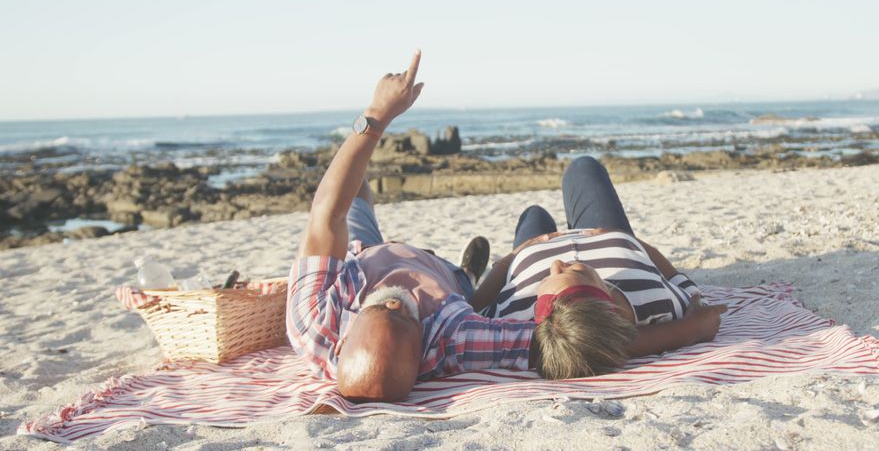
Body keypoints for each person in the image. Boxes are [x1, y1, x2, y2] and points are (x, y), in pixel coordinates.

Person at [286, 51, 535, 402]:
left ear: (344, 337)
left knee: (345, 188)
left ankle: (391, 244)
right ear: (423, 353)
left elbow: (326, 214)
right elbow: (546, 341)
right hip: (442, 279)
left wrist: (378, 113)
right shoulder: (453, 338)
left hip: (368, 257)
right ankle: (467, 271)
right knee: (476, 280)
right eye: (406, 318)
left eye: (380, 310)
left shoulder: (313, 325)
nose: (395, 305)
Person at [469, 156, 728, 380]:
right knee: (584, 166)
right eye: (578, 272)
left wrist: (518, 252)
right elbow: (678, 279)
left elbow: (475, 305)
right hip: (606, 235)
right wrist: (629, 241)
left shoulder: (516, 318)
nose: (557, 264)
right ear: (609, 293)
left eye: (548, 278)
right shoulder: (657, 302)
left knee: (533, 214)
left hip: (532, 251)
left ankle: (468, 272)